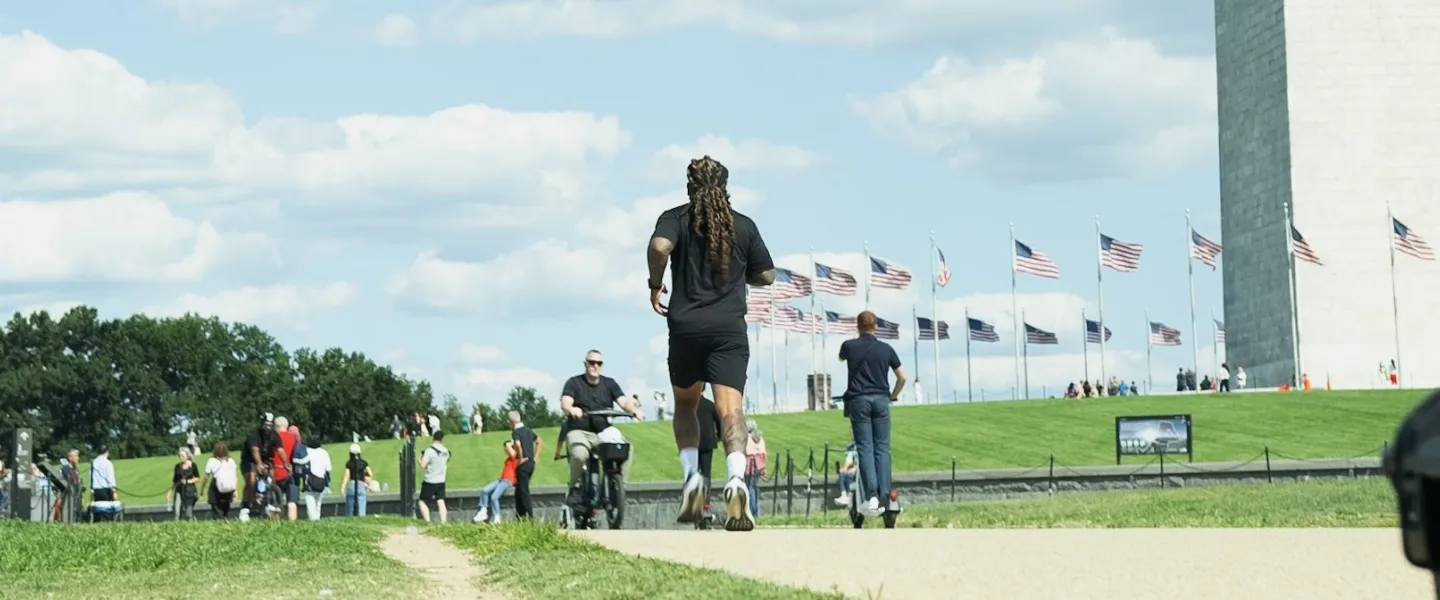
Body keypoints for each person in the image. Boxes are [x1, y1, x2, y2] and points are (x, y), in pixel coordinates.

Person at [647, 155, 775, 532]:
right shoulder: (743, 226)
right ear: (725, 186)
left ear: (689, 186)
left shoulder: (675, 218)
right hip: (728, 330)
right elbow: (766, 274)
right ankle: (735, 478)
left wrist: (656, 285)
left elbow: (658, 247)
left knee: (686, 405)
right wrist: (740, 273)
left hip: (686, 327)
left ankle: (692, 476)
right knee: (730, 409)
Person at [838, 310, 907, 517]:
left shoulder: (849, 346)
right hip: (881, 400)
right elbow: (902, 377)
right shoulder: (886, 349)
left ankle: (872, 495)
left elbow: (841, 358)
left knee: (865, 448)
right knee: (882, 449)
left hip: (859, 400)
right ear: (876, 326)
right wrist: (893, 395)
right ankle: (886, 493)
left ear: (857, 326)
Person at [559, 350, 644, 494]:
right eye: (592, 362)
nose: (595, 366)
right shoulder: (574, 383)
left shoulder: (609, 383)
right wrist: (572, 409)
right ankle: (574, 486)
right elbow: (565, 402)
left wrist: (634, 410)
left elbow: (623, 401)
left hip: (604, 432)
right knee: (579, 454)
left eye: (599, 363)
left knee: (626, 449)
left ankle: (618, 489)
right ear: (585, 364)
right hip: (580, 431)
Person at [241, 413, 281, 517]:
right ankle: (245, 507)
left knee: (272, 477)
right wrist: (259, 464)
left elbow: (280, 450)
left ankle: (270, 500)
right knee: (252, 480)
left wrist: (286, 464)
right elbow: (255, 450)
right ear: (261, 424)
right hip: (249, 460)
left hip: (266, 459)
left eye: (270, 425)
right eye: (266, 425)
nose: (268, 428)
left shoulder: (274, 435)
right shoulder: (254, 435)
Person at [474, 441, 519, 524]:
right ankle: (483, 510)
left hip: (508, 480)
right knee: (484, 490)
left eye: (506, 448)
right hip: (501, 479)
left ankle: (497, 518)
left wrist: (511, 442)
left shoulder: (515, 456)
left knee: (494, 497)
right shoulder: (509, 458)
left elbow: (510, 447)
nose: (505, 450)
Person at [508, 411, 540, 520]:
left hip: (523, 464)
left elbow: (517, 444)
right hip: (531, 463)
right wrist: (535, 457)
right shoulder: (528, 430)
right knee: (519, 491)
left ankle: (529, 518)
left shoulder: (516, 432)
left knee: (524, 491)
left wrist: (520, 458)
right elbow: (539, 441)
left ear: (511, 422)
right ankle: (520, 516)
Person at [417, 430, 450, 523]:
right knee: (441, 501)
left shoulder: (430, 450)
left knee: (422, 501)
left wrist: (419, 460)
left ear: (433, 438)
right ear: (442, 439)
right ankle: (444, 522)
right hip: (441, 480)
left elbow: (423, 465)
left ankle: (427, 522)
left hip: (430, 480)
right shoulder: (445, 451)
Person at [270, 416, 298, 521]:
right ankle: (292, 522)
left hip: (276, 472)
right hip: (289, 472)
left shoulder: (273, 437)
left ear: (277, 426)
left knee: (276, 500)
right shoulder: (292, 438)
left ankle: (275, 522)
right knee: (291, 501)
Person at [201, 442, 237, 519]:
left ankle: (219, 524)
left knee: (216, 509)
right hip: (228, 487)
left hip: (215, 487)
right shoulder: (230, 461)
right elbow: (234, 476)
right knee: (226, 509)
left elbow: (206, 477)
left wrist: (202, 489)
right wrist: (235, 490)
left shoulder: (211, 461)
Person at [340, 444, 373, 517]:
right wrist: (364, 477)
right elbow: (370, 473)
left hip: (352, 485)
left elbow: (347, 476)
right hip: (361, 484)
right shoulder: (363, 462)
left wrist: (343, 487)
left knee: (350, 509)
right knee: (361, 507)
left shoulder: (349, 463)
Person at [743, 419, 767, 519]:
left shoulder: (746, 438)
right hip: (759, 464)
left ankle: (753, 512)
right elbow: (764, 453)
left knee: (749, 488)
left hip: (749, 465)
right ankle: (756, 511)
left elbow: (745, 451)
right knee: (754, 488)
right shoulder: (759, 437)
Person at [169, 449, 200, 520]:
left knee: (188, 512)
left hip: (189, 491)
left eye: (182, 456)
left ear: (187, 456)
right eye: (179, 456)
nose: (181, 457)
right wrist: (170, 492)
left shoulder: (193, 465)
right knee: (177, 510)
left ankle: (191, 522)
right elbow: (175, 480)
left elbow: (197, 478)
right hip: (179, 490)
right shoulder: (177, 466)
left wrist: (188, 481)